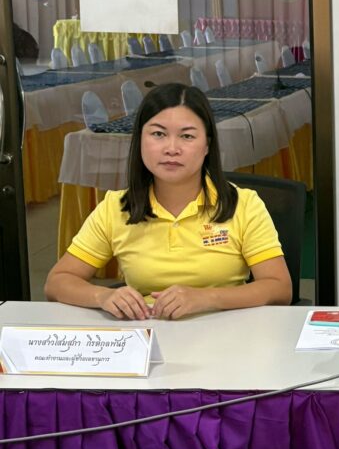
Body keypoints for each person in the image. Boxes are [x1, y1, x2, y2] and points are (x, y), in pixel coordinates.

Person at [45, 83, 292, 320]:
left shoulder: (244, 204)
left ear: (207, 145)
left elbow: (279, 288)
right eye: (158, 134)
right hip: (148, 332)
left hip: (227, 333)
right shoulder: (116, 207)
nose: (172, 148)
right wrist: (103, 296)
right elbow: (57, 282)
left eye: (187, 136)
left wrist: (207, 298)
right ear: (140, 140)